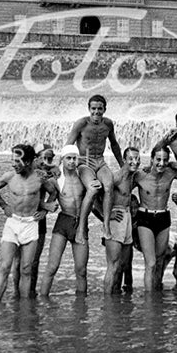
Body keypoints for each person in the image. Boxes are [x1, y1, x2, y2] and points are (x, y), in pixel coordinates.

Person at [0, 144, 52, 301]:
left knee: (26, 269)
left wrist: (45, 211)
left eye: (17, 161)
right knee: (5, 266)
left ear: (28, 162)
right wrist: (4, 206)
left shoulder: (40, 177)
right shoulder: (10, 176)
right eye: (13, 160)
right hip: (13, 222)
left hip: (31, 224)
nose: (13, 164)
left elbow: (54, 192)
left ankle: (24, 307)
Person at [66, 94, 124, 248]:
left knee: (109, 185)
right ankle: (80, 227)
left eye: (100, 109)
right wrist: (63, 169)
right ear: (89, 109)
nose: (96, 112)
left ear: (104, 109)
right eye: (93, 109)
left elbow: (114, 144)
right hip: (84, 162)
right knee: (92, 189)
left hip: (100, 161)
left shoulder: (108, 124)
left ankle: (106, 225)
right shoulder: (81, 124)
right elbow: (68, 146)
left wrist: (123, 165)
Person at [38, 144, 95, 296]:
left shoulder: (83, 176)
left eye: (74, 158)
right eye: (68, 158)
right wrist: (44, 207)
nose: (71, 161)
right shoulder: (56, 179)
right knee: (52, 267)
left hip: (80, 223)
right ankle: (42, 300)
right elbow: (35, 192)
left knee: (81, 270)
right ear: (62, 160)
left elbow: (92, 198)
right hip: (63, 222)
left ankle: (81, 308)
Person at [132, 147, 177, 291]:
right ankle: (149, 300)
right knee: (151, 263)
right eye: (158, 159)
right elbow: (121, 188)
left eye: (165, 160)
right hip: (145, 217)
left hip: (163, 217)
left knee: (159, 261)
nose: (161, 163)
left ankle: (156, 297)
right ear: (151, 159)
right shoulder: (140, 175)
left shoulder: (170, 173)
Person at [103, 146, 140, 294]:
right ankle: (107, 300)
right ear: (124, 160)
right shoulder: (116, 177)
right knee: (113, 264)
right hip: (116, 217)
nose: (134, 162)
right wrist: (107, 215)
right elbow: (97, 198)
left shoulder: (132, 177)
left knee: (123, 264)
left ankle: (117, 300)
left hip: (127, 217)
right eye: (131, 159)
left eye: (137, 159)